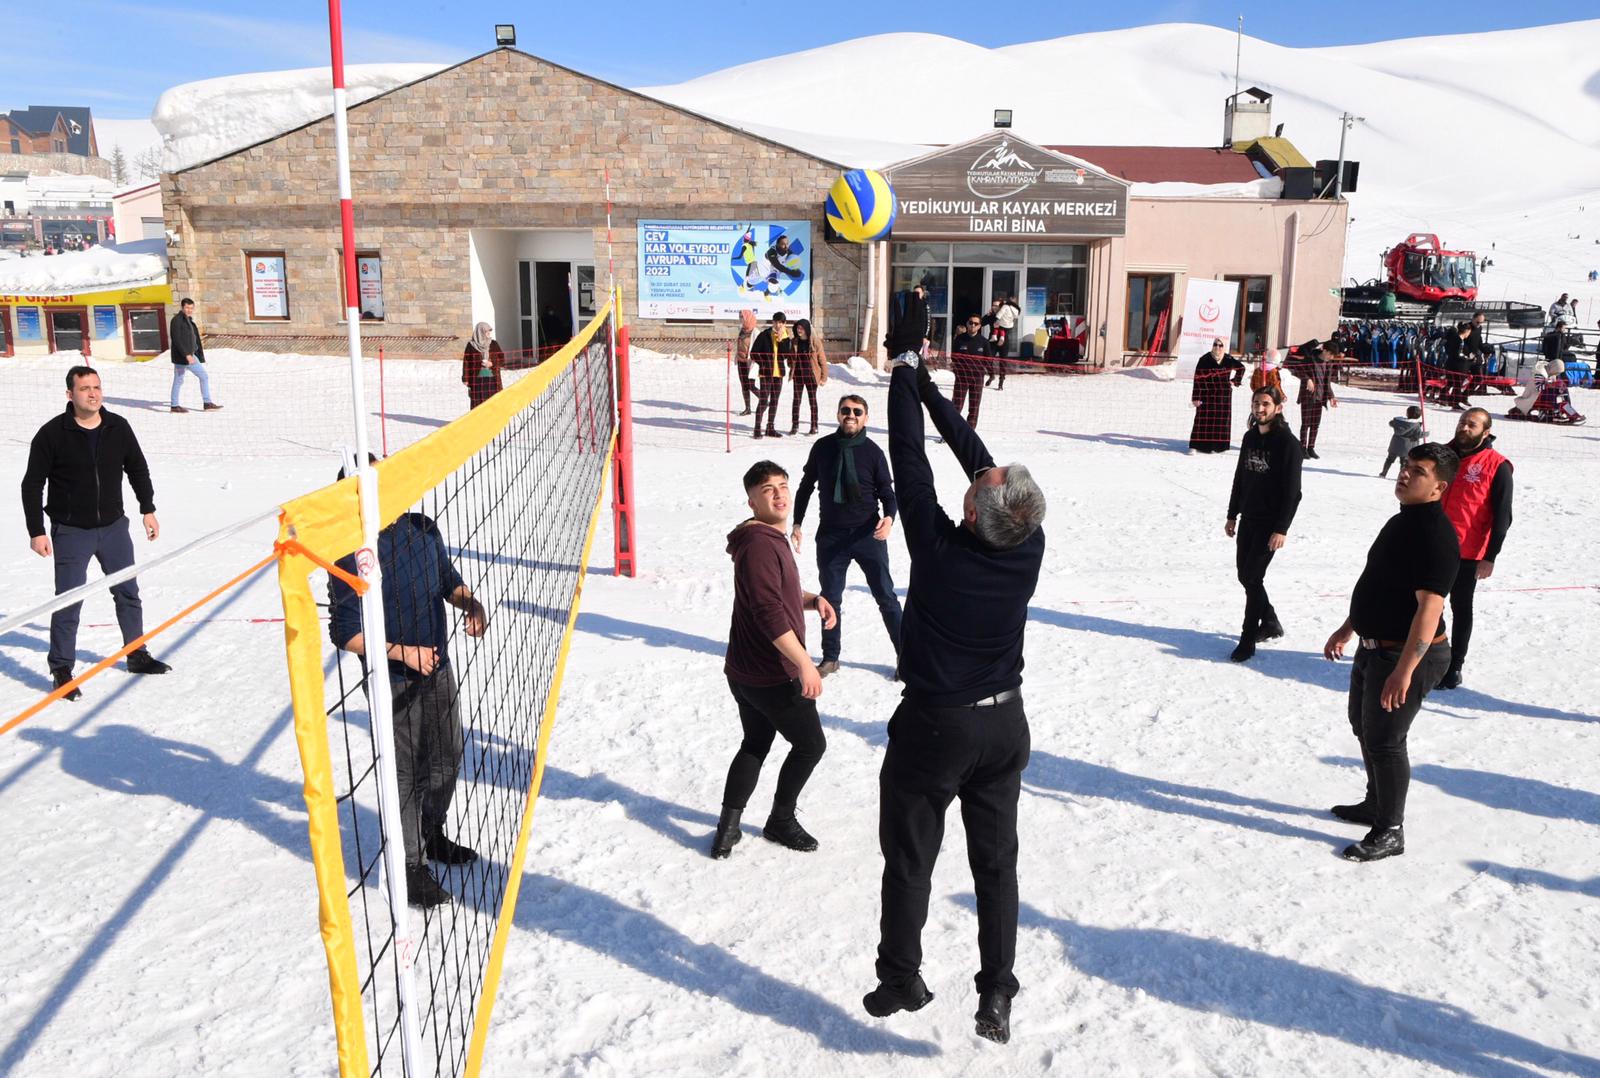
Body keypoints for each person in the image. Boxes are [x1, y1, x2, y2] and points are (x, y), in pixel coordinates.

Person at [863, 349, 1047, 1046]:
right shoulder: (1025, 540)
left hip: (936, 729)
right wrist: (931, 387)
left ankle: (900, 975)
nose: (980, 475)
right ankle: (996, 991)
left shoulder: (938, 547)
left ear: (974, 512)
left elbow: (906, 452)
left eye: (983, 484)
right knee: (996, 867)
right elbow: (976, 458)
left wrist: (904, 379)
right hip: (1005, 728)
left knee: (911, 858)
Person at [328, 477, 490, 908]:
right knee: (405, 773)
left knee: (449, 755)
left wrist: (471, 603)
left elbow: (447, 580)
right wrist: (404, 654)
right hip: (392, 679)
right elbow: (346, 635)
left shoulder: (421, 527)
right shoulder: (349, 549)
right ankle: (410, 866)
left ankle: (430, 833)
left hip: (438, 668)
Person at [1323, 442, 1461, 862]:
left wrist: (1405, 670)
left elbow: (1429, 607)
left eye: (1417, 472)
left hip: (1407, 655)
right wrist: (1350, 627)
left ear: (1438, 488)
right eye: (1405, 465)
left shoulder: (1435, 536)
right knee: (1363, 728)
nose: (1404, 474)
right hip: (1374, 647)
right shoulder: (1400, 522)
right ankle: (1374, 803)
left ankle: (1390, 830)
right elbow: (1378, 581)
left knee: (1385, 741)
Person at [711, 461, 837, 860]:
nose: (780, 494)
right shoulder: (762, 545)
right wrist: (803, 662)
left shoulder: (764, 538)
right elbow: (768, 612)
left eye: (784, 486)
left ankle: (728, 829)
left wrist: (812, 600)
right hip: (771, 674)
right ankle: (780, 821)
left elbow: (778, 594)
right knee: (810, 745)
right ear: (752, 500)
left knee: (756, 742)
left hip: (744, 671)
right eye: (769, 490)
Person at [21, 365, 170, 702]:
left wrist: (147, 508)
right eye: (85, 388)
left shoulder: (118, 426)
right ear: (70, 394)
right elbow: (32, 485)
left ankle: (136, 654)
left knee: (128, 593)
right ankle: (61, 669)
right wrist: (36, 530)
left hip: (114, 527)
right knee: (69, 600)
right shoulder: (52, 434)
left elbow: (137, 467)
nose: (93, 394)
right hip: (71, 531)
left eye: (97, 387)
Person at [791, 394, 900, 677]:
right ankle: (831, 657)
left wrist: (889, 519)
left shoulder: (874, 452)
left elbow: (888, 494)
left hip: (867, 534)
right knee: (830, 598)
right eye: (845, 410)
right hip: (831, 537)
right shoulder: (823, 447)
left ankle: (907, 657)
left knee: (886, 596)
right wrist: (797, 523)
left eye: (857, 411)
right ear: (838, 414)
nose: (850, 415)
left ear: (866, 417)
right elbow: (805, 487)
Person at [1224, 386, 1303, 662]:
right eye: (1256, 403)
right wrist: (1232, 514)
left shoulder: (1288, 444)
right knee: (1245, 576)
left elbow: (1294, 492)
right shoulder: (1249, 438)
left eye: (1266, 404)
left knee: (1253, 577)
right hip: (1248, 518)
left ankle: (1248, 639)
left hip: (1270, 524)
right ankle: (1270, 621)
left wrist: (1281, 528)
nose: (1260, 409)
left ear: (1278, 408)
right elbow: (1240, 478)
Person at [1435, 408, 1512, 690]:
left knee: (1460, 608)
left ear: (1486, 431)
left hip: (1467, 553)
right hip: (1432, 545)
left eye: (1472, 424)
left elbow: (1503, 516)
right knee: (1426, 604)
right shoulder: (1441, 455)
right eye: (1462, 422)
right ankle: (1433, 655)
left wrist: (1490, 557)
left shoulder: (1497, 465)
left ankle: (1454, 665)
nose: (1465, 427)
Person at [1189, 338, 1246, 453]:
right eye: (1215, 344)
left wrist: (1235, 381)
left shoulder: (1228, 359)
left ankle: (1217, 447)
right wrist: (1196, 398)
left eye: (1220, 345)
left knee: (1220, 422)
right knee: (1202, 420)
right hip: (1207, 395)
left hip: (1223, 396)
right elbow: (1197, 379)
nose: (1218, 347)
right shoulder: (1204, 359)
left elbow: (1241, 368)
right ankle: (1196, 446)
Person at [168, 297, 221, 413]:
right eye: (187, 307)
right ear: (182, 307)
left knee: (201, 377)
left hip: (191, 356)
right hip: (182, 358)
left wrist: (195, 353)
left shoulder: (189, 320)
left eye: (191, 308)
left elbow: (193, 338)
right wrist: (187, 355)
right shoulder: (176, 320)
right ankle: (175, 405)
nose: (189, 310)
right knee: (180, 380)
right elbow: (176, 339)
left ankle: (206, 403)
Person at [1294, 338, 1338, 458]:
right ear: (1324, 350)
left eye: (1333, 355)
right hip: (1308, 396)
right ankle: (1302, 448)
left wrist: (1331, 397)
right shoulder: (1310, 358)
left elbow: (1327, 383)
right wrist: (1307, 379)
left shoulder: (1329, 364)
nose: (1331, 357)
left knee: (1315, 424)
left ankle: (1311, 448)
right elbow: (1298, 370)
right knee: (1306, 423)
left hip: (1320, 398)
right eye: (1330, 354)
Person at [950, 313, 994, 428]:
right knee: (956, 405)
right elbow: (953, 357)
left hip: (977, 378)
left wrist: (991, 374)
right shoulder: (960, 339)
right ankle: (952, 430)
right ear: (967, 324)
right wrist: (958, 369)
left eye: (976, 323)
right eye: (971, 323)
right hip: (961, 377)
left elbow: (988, 360)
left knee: (974, 406)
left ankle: (970, 431)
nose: (973, 325)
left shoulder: (984, 342)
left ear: (979, 326)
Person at [750, 312, 789, 438]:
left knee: (774, 400)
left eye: (780, 323)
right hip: (766, 373)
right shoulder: (764, 335)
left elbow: (785, 356)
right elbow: (754, 353)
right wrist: (764, 363)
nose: (777, 325)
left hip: (778, 374)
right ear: (772, 322)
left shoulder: (786, 337)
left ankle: (770, 427)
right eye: (775, 322)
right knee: (763, 400)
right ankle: (757, 427)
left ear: (784, 324)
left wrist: (781, 339)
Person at [787, 317, 827, 436]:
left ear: (806, 329)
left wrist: (824, 377)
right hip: (798, 376)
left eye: (801, 328)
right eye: (798, 328)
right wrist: (792, 365)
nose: (799, 330)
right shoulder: (794, 341)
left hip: (811, 375)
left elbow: (822, 360)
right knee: (796, 401)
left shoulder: (815, 341)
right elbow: (790, 358)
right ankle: (795, 426)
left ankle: (814, 426)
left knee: (812, 401)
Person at [884, 278, 932, 369]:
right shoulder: (909, 304)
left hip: (920, 337)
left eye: (918, 293)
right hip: (909, 336)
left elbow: (928, 321)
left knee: (917, 356)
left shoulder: (925, 305)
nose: (916, 295)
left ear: (922, 294)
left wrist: (925, 336)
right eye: (915, 293)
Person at [461, 322, 505, 409]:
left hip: (492, 378)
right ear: (480, 332)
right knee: (478, 402)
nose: (489, 334)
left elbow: (502, 360)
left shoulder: (494, 344)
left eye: (489, 332)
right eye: (486, 332)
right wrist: (465, 378)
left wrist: (492, 364)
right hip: (476, 378)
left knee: (493, 400)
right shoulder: (471, 346)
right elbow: (466, 362)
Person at [1380, 405, 1428, 478]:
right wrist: (1426, 433)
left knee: (1389, 459)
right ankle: (1400, 477)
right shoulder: (1416, 425)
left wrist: (1393, 423)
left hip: (1395, 445)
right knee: (1403, 463)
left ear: (1407, 413)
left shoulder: (1398, 421)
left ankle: (1383, 473)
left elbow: (1392, 423)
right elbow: (1418, 435)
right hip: (1407, 447)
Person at [987, 295, 1019, 388]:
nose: (994, 307)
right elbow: (981, 323)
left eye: (996, 305)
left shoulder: (1006, 316)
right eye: (993, 305)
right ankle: (991, 375)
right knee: (989, 359)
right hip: (993, 341)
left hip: (1004, 341)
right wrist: (987, 315)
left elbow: (1010, 327)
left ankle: (1001, 380)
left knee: (1003, 361)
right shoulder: (991, 316)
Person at [735, 308, 757, 416]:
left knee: (751, 385)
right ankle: (747, 408)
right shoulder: (742, 330)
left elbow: (757, 347)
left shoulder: (755, 332)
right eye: (740, 317)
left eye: (742, 317)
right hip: (741, 361)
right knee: (744, 385)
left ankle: (764, 399)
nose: (741, 319)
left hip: (750, 362)